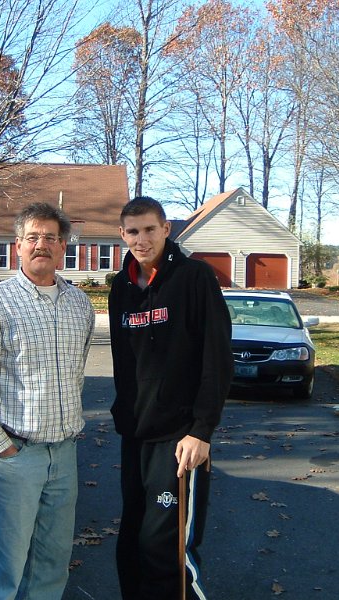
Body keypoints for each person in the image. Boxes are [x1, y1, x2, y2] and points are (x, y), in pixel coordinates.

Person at [0, 202, 95, 600]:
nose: (41, 245)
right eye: (32, 237)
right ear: (17, 245)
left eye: (50, 237)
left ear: (63, 245)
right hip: (16, 456)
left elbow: (76, 372)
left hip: (63, 454)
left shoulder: (79, 304)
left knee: (51, 564)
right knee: (3, 568)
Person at [108, 196, 234, 600]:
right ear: (122, 234)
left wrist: (201, 430)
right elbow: (122, 363)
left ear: (166, 229)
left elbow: (217, 357)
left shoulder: (195, 278)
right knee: (132, 544)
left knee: (167, 551)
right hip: (135, 435)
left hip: (180, 438)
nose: (141, 239)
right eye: (133, 231)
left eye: (150, 229)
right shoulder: (121, 287)